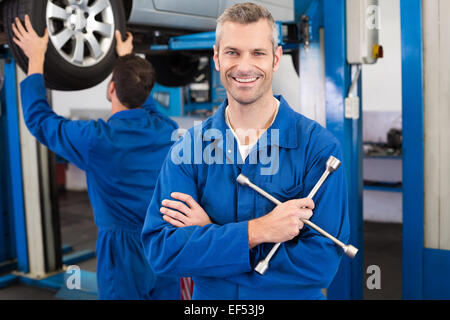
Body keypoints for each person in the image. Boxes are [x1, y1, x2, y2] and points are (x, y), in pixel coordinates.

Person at [141, 2, 350, 300]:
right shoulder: (188, 149)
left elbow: (321, 264)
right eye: (232, 52)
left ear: (276, 59)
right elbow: (163, 251)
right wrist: (257, 232)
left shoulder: (318, 148)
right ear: (216, 58)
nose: (244, 66)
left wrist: (211, 236)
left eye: (258, 53)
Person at [12, 15, 180, 300]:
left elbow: (39, 120)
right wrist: (127, 60)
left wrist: (36, 56)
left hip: (122, 252)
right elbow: (142, 100)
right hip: (164, 242)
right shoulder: (166, 129)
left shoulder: (96, 140)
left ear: (111, 89)